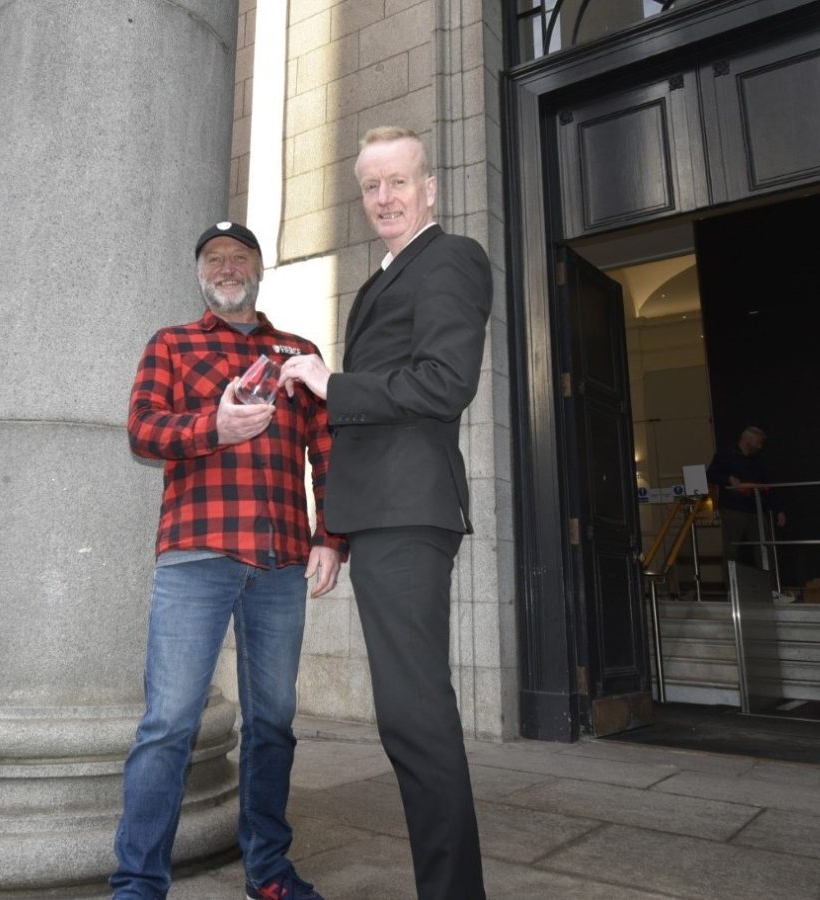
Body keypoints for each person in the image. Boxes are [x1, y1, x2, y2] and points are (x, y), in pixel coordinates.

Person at [280, 126, 490, 900]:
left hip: (410, 507)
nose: (385, 198)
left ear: (429, 187)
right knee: (409, 715)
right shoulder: (384, 279)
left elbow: (443, 382)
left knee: (415, 716)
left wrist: (334, 385)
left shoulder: (451, 259)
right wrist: (335, 531)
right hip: (380, 513)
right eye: (372, 186)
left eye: (399, 182)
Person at [112, 221, 345, 900]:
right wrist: (210, 427)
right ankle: (137, 885)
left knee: (272, 723)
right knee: (169, 723)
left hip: (279, 561)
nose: (226, 265)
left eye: (239, 256)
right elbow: (142, 430)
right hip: (196, 554)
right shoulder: (172, 344)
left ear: (258, 270)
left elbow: (326, 450)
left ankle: (268, 871)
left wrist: (331, 535)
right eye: (213, 258)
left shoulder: (297, 353)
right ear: (200, 273)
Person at [707, 425, 786, 569]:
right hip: (733, 509)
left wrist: (778, 509)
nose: (760, 446)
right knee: (731, 549)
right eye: (758, 442)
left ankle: (769, 586)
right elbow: (710, 475)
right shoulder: (725, 455)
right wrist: (728, 478)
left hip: (757, 510)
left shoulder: (758, 460)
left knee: (765, 549)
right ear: (747, 439)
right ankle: (732, 588)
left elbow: (767, 485)